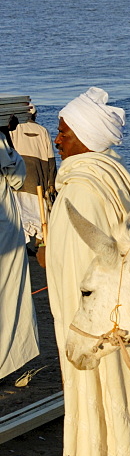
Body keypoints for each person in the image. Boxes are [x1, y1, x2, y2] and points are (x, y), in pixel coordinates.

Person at [39, 87, 130, 456]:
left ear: (85, 137)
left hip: (102, 324)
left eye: (63, 131)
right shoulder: (113, 177)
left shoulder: (83, 190)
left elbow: (91, 269)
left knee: (112, 389)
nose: (57, 138)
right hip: (129, 318)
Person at [1, 115, 39, 381]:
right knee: (8, 289)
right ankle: (6, 361)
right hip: (3, 228)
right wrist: (6, 137)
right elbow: (16, 178)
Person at [10, 104, 56, 250]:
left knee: (20, 212)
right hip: (38, 179)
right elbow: (50, 159)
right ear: (35, 116)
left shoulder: (14, 130)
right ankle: (40, 243)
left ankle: (22, 245)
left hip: (19, 179)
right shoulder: (43, 131)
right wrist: (51, 182)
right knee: (41, 213)